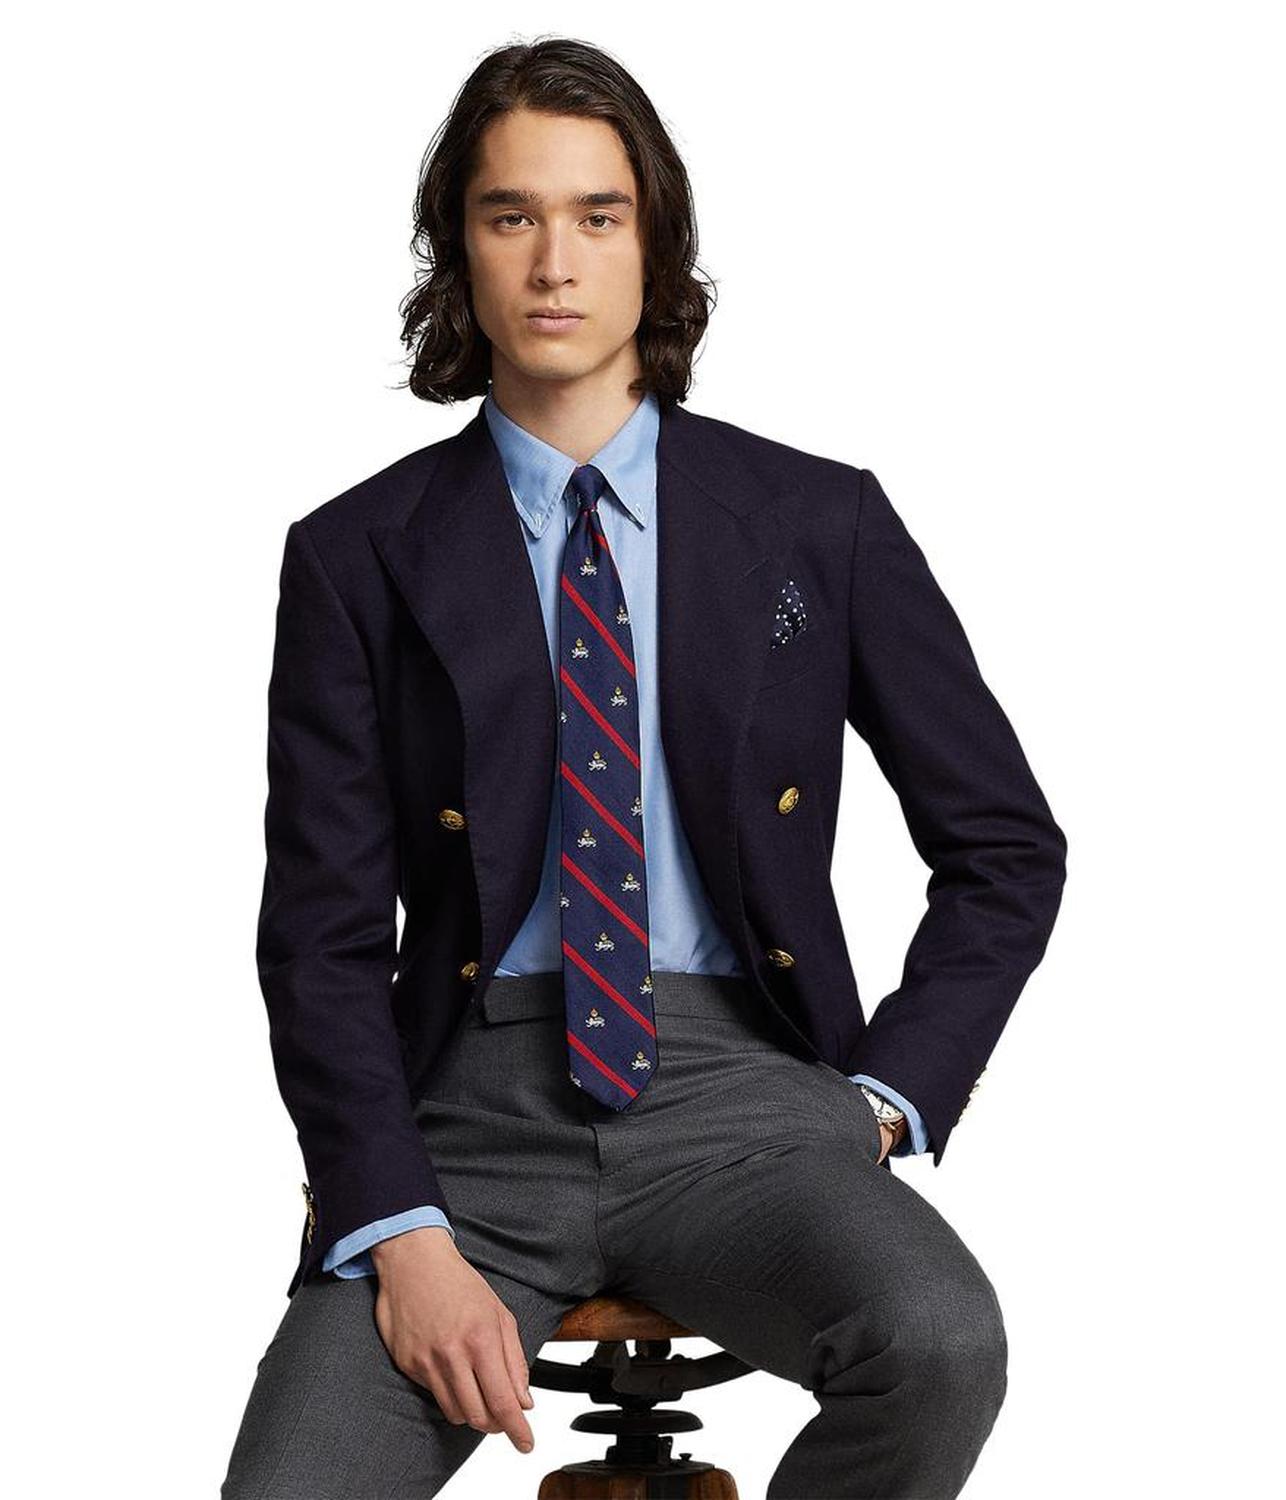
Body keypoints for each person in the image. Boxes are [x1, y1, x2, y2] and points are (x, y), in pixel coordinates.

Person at [221, 36, 1067, 1500]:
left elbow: (1004, 845)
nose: (554, 261)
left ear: (654, 241)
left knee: (938, 1342)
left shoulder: (817, 522)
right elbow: (322, 936)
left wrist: (885, 1096)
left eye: (596, 215)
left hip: (751, 1102)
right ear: (459, 250)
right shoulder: (356, 554)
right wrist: (398, 1229)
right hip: (465, 1120)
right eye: (510, 215)